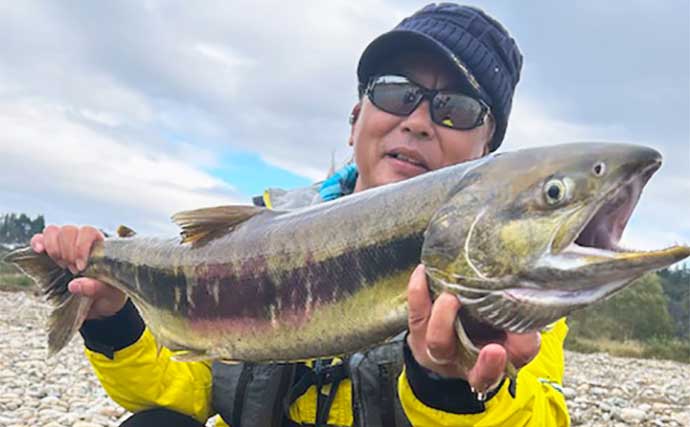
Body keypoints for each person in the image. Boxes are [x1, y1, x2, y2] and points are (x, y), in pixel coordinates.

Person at [31, 3, 570, 426]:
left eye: (456, 108)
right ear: (356, 120)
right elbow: (183, 394)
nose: (421, 120)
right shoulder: (256, 231)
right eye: (397, 92)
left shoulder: (506, 288)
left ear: (487, 152)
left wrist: (460, 388)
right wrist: (113, 321)